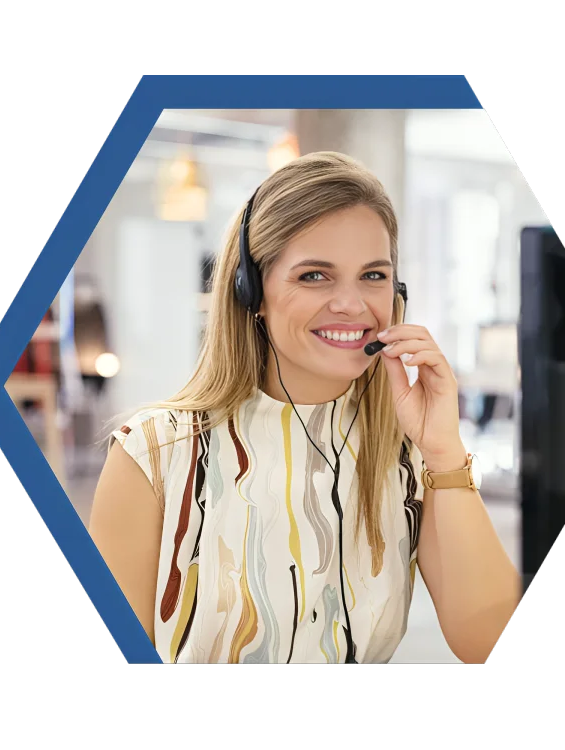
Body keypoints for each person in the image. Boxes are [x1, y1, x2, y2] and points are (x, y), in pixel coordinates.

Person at [89, 152, 521, 664]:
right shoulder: (155, 453)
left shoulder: (407, 457)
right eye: (315, 276)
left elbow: (487, 640)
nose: (352, 304)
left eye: (373, 276)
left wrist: (445, 452)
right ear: (253, 291)